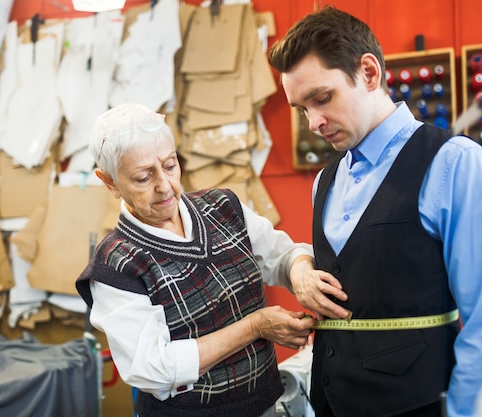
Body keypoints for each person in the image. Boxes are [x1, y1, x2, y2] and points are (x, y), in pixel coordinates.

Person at [267, 6, 482, 417]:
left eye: (322, 98)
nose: (313, 122)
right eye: (301, 109)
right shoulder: (324, 182)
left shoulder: (456, 164)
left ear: (369, 72)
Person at [75, 102, 321, 417]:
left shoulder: (222, 207)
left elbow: (284, 255)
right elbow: (156, 369)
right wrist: (256, 326)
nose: (164, 185)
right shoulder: (116, 265)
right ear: (110, 182)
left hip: (264, 404)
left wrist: (301, 273)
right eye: (142, 177)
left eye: (170, 165)